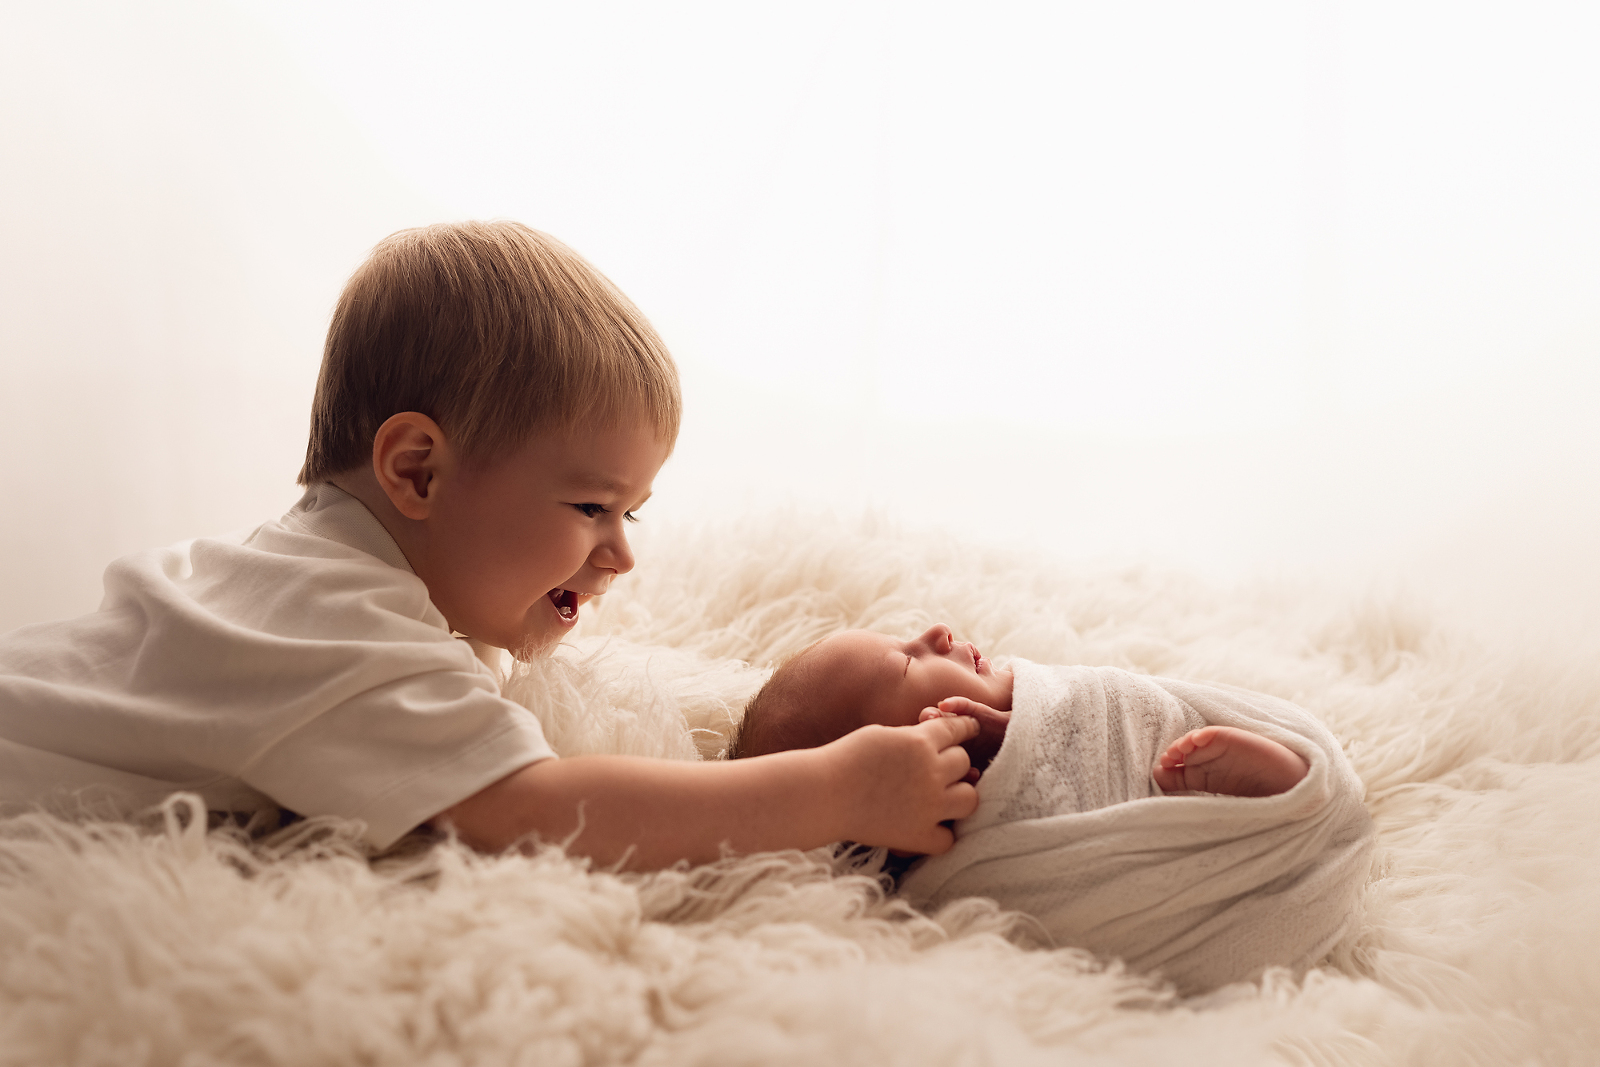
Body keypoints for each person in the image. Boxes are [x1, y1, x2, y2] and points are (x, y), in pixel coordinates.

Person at [0, 222, 980, 869]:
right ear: (418, 471)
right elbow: (532, 810)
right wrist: (833, 789)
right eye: (591, 506)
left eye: (632, 514)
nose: (620, 555)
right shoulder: (335, 626)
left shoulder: (315, 579)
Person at [730, 624, 1375, 992]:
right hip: (1141, 845)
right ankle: (1274, 804)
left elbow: (1100, 706)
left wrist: (1023, 723)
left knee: (1164, 750)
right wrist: (1008, 747)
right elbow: (1035, 857)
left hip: (1155, 769)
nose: (936, 634)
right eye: (906, 662)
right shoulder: (925, 837)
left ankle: (1280, 795)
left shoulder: (1025, 694)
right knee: (1157, 807)